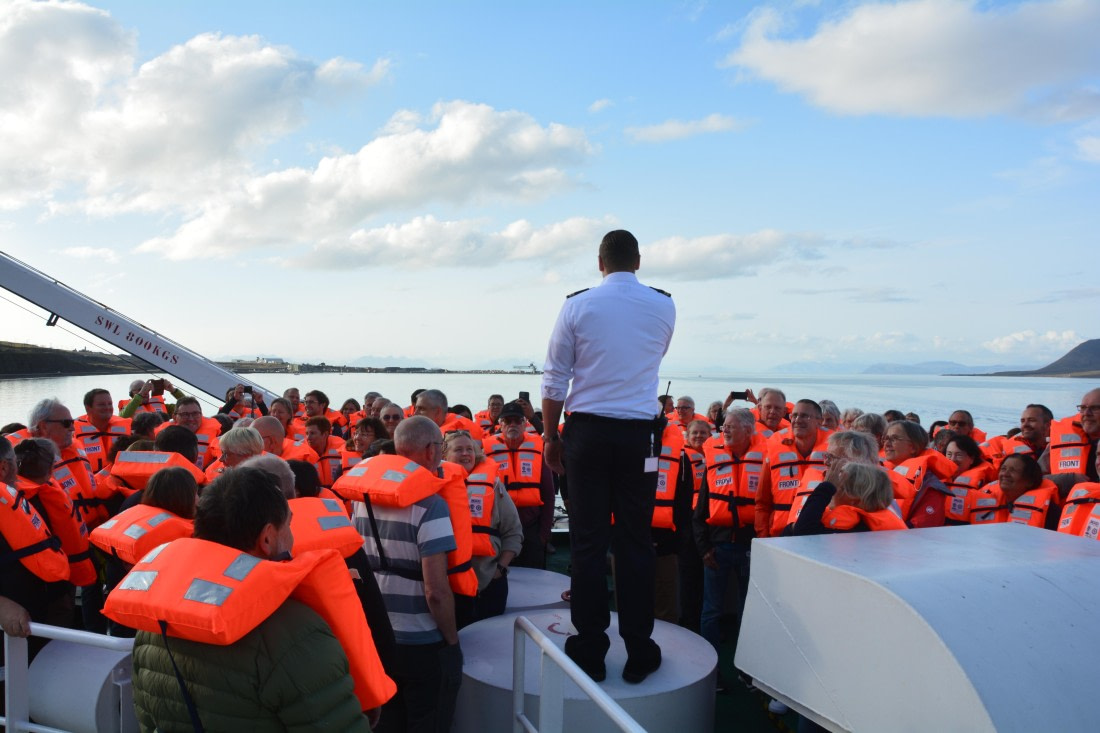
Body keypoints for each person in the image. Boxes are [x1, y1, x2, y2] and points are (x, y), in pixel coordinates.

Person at [106, 467, 390, 730]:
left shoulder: (156, 623)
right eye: (288, 526)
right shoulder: (296, 634)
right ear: (267, 539)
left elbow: (147, 718)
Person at [541, 229, 675, 684]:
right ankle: (639, 648)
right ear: (638, 261)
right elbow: (651, 360)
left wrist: (549, 436)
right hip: (640, 438)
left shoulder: (577, 305)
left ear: (600, 263)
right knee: (635, 541)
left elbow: (555, 379)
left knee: (588, 543)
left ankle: (591, 648)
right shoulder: (664, 305)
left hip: (588, 434)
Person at [344, 416, 463, 732]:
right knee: (427, 721)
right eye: (440, 447)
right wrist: (451, 641)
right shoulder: (430, 506)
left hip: (379, 638)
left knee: (388, 722)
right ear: (428, 451)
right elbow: (435, 591)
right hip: (421, 642)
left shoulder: (362, 499)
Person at [692, 409, 765, 688]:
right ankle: (712, 671)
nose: (724, 431)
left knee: (751, 611)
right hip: (718, 548)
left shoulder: (764, 462)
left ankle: (748, 670)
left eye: (731, 427)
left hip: (751, 549)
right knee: (711, 611)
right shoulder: (715, 463)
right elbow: (699, 512)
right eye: (724, 427)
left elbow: (768, 506)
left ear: (749, 430)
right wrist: (704, 549)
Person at [442, 429, 522, 621]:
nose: (465, 454)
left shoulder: (493, 486)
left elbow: (514, 532)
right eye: (458, 449)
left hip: (489, 580)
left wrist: (500, 570)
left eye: (469, 449)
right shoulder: (435, 486)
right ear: (444, 455)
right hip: (448, 584)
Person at [481, 402, 555, 569]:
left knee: (534, 575)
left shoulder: (538, 449)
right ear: (500, 424)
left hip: (531, 526)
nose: (512, 425)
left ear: (524, 423)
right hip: (499, 527)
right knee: (500, 575)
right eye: (508, 421)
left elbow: (549, 494)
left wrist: (544, 533)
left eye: (517, 420)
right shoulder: (485, 451)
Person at [786, 462, 908, 535]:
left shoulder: (857, 530)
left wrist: (825, 488)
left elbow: (803, 533)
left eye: (837, 484)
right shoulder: (870, 525)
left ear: (854, 497)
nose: (832, 490)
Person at [965, 453, 1059, 529]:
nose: (1005, 474)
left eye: (1013, 471)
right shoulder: (983, 499)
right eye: (1003, 469)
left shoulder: (1048, 510)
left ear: (1029, 481)